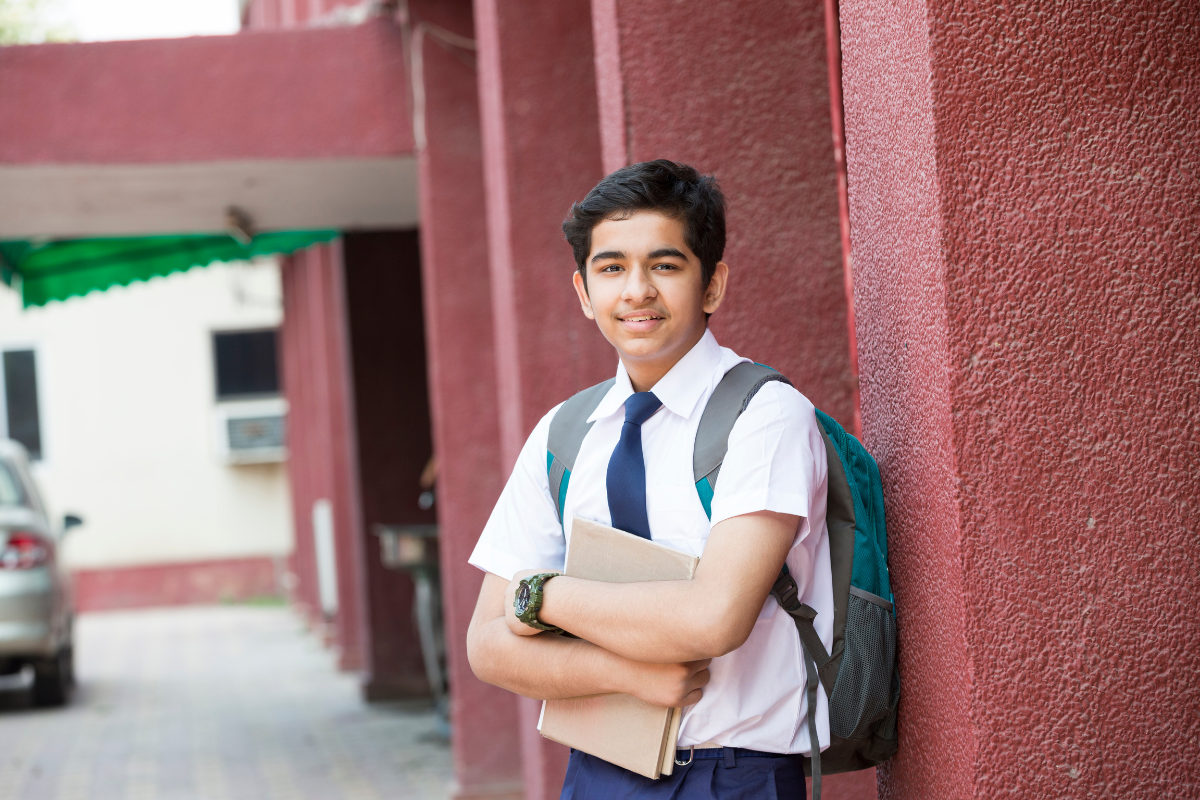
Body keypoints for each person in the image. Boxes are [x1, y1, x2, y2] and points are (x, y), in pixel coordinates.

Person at [466, 160, 833, 799]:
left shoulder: (765, 415)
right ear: (583, 292)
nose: (636, 290)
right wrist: (626, 674)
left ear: (712, 285)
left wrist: (539, 595)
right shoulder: (566, 432)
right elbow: (486, 647)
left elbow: (714, 619)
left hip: (731, 775)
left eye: (664, 265)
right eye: (611, 269)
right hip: (594, 771)